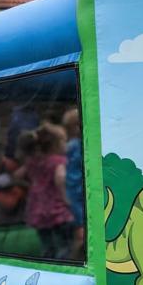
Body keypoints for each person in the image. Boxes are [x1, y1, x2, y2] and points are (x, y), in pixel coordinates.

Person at [14, 123, 74, 260]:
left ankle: (47, 269)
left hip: (37, 208)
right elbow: (60, 179)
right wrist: (67, 199)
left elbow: (17, 175)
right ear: (56, 144)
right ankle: (61, 270)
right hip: (57, 210)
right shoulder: (59, 161)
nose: (67, 144)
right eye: (64, 141)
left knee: (47, 246)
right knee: (64, 246)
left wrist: (32, 182)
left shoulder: (33, 162)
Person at [62, 109, 86, 261]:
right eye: (75, 125)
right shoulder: (72, 146)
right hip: (75, 194)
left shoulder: (82, 144)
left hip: (81, 193)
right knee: (80, 232)